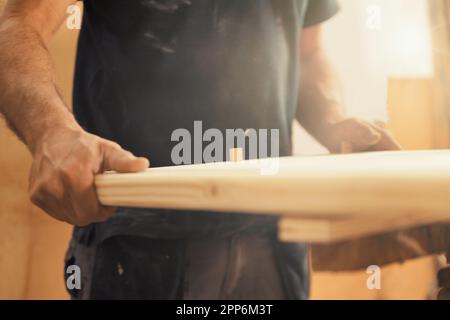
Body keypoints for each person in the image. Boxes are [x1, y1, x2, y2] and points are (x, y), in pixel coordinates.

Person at [0, 0, 400, 299]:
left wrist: (333, 120)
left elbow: (308, 54)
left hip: (273, 242)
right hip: (136, 245)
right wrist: (53, 131)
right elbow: (17, 26)